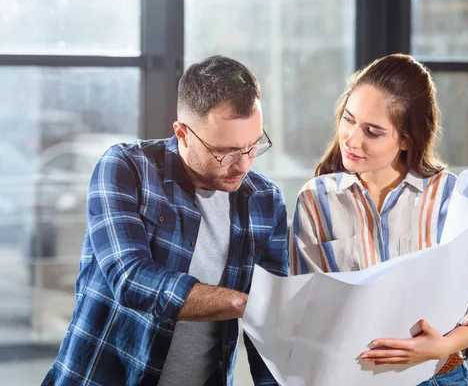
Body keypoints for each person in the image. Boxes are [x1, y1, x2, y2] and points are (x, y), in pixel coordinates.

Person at [43, 55, 288, 386]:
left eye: (253, 146)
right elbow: (130, 278)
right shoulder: (127, 168)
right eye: (226, 152)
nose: (243, 166)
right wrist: (240, 302)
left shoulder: (265, 200)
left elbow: (270, 325)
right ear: (183, 134)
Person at [288, 54, 468, 385]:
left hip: (437, 378)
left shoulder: (450, 197)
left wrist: (440, 347)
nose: (351, 139)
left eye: (372, 132)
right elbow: (302, 306)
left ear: (406, 140)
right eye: (349, 120)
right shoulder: (315, 200)